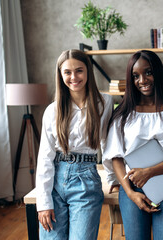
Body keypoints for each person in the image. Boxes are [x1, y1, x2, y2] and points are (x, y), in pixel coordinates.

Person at [102, 50, 163, 240]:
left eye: (148, 72)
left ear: (158, 73)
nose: (143, 80)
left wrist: (149, 172)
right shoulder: (122, 115)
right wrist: (130, 193)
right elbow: (116, 157)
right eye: (135, 76)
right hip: (133, 188)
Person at [35, 49, 113, 239]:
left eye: (79, 70)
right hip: (55, 180)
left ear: (88, 72)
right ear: (60, 75)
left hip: (86, 179)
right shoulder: (52, 110)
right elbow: (45, 157)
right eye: (67, 72)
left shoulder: (104, 102)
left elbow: (107, 143)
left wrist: (113, 178)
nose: (73, 77)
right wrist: (44, 203)